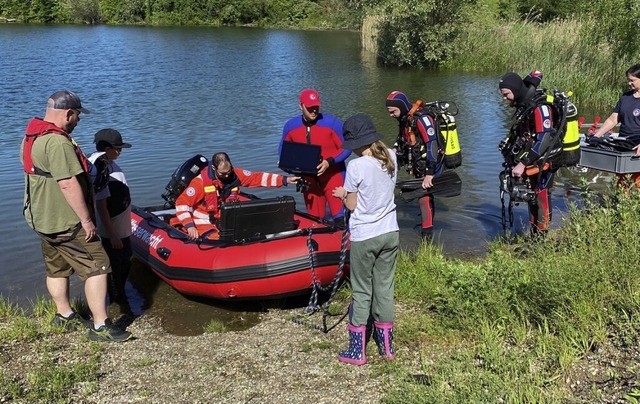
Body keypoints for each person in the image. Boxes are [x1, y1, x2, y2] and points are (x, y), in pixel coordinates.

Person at [21, 90, 132, 342]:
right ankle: (101, 326)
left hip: (43, 219)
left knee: (57, 267)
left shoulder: (31, 136)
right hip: (66, 221)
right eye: (78, 116)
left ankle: (64, 315)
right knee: (98, 265)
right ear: (68, 113)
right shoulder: (58, 142)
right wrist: (86, 219)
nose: (78, 121)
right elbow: (68, 183)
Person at [331, 113, 399, 366]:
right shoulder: (391, 156)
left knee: (361, 291)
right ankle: (387, 348)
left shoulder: (356, 166)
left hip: (365, 235)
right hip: (390, 232)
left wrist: (342, 194)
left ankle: (357, 351)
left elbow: (352, 204)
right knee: (384, 288)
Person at [175, 152, 300, 240]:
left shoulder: (235, 174)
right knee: (218, 240)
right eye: (223, 174)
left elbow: (257, 178)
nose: (227, 176)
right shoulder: (200, 182)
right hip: (204, 222)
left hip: (226, 219)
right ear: (213, 168)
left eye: (229, 172)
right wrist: (190, 226)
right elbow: (182, 204)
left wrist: (285, 180)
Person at [280, 89, 351, 226]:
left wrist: (329, 162)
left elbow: (347, 147)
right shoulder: (291, 126)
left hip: (333, 175)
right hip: (308, 180)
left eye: (316, 107)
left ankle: (348, 245)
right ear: (301, 106)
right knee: (315, 222)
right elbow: (283, 151)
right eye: (310, 108)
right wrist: (289, 167)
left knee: (341, 218)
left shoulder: (332, 123)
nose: (314, 111)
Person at [498, 71, 556, 235]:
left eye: (506, 94)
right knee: (531, 196)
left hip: (545, 158)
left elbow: (544, 139)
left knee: (541, 195)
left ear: (515, 89)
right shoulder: (525, 106)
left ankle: (541, 239)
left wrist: (523, 163)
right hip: (532, 158)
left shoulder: (540, 107)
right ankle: (534, 235)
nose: (504, 98)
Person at [386, 91, 443, 240]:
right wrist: (393, 151)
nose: (391, 115)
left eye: (393, 111)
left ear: (402, 106)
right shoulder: (405, 118)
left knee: (424, 197)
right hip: (418, 162)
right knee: (422, 196)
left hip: (429, 163)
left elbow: (433, 145)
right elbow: (401, 138)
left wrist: (430, 173)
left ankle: (427, 235)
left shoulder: (422, 119)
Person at [91, 128, 133, 306]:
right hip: (110, 231)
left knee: (126, 260)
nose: (120, 151)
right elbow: (101, 206)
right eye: (117, 148)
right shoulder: (98, 168)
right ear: (106, 148)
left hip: (122, 226)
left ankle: (121, 296)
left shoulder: (111, 164)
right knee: (114, 267)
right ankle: (117, 302)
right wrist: (112, 234)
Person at [591, 64, 640, 188]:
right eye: (628, 80)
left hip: (638, 147)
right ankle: (620, 204)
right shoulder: (625, 97)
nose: (629, 83)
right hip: (624, 144)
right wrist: (596, 136)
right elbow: (613, 119)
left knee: (637, 182)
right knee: (622, 183)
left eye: (632, 80)